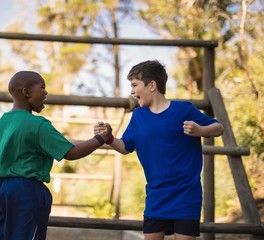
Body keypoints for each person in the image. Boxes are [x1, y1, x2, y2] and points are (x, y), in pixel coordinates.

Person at [95, 60, 224, 240]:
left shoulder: (183, 109)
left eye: (134, 85)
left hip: (186, 196)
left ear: (152, 85)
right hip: (156, 197)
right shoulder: (138, 116)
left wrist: (201, 130)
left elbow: (218, 128)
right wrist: (108, 137)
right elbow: (125, 147)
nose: (132, 91)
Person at [0, 71, 112, 240]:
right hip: (25, 191)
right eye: (42, 88)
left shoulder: (1, 123)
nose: (46, 92)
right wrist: (100, 138)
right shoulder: (38, 125)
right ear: (26, 92)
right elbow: (71, 152)